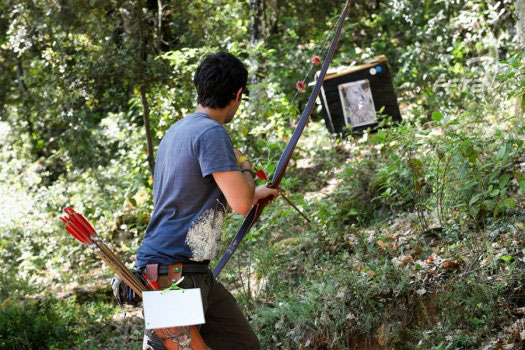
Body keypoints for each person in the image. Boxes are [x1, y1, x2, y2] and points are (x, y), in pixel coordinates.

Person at [135, 51, 278, 350]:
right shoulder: (212, 132)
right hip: (171, 276)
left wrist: (253, 193)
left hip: (192, 272)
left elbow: (198, 193)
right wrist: (245, 167)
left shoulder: (177, 131)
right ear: (237, 94)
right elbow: (241, 202)